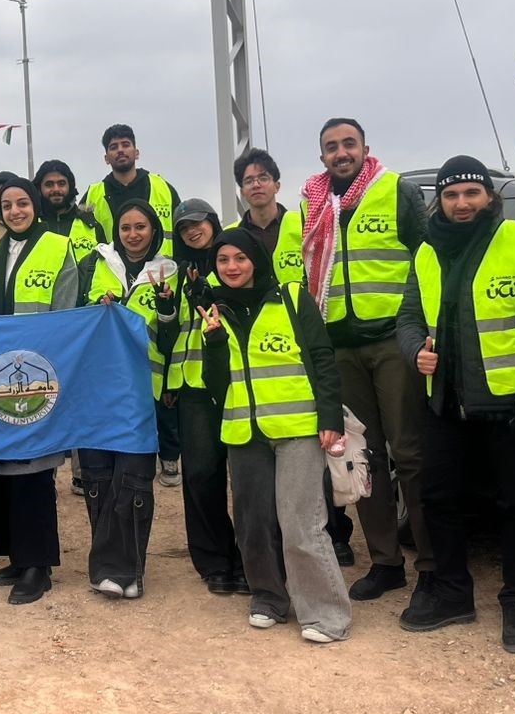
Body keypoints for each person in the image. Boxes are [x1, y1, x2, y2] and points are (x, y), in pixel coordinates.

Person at [394, 155, 515, 653]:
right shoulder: (427, 251)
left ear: (489, 197)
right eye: (451, 195)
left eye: (471, 192)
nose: (461, 203)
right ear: (439, 202)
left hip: (508, 404)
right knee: (438, 501)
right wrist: (415, 352)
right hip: (444, 404)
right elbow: (408, 318)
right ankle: (453, 594)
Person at [201, 228, 353, 643]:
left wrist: (329, 416)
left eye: (240, 258)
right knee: (252, 523)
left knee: (301, 522)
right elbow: (215, 386)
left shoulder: (289, 296)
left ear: (255, 259)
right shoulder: (212, 310)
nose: (231, 267)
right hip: (243, 432)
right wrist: (213, 343)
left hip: (297, 428)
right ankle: (268, 597)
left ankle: (325, 614)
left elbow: (321, 357)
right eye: (223, 260)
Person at [300, 118, 430, 595]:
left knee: (410, 453)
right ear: (322, 157)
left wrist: (421, 329)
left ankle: (432, 566)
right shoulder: (313, 204)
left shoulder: (396, 190)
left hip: (392, 342)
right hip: (341, 347)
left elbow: (428, 258)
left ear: (365, 148)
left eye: (348, 144)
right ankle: (386, 562)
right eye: (331, 147)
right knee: (362, 456)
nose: (341, 153)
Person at [0, 177, 79, 605]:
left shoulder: (57, 246)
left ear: (35, 206)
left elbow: (66, 313)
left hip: (39, 371)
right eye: (6, 205)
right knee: (0, 468)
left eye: (22, 203)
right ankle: (15, 554)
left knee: (32, 470)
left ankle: (38, 565)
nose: (15, 211)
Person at [75, 198, 175, 600]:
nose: (133, 235)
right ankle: (104, 568)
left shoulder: (171, 271)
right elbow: (72, 320)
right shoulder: (92, 266)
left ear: (154, 230)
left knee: (133, 481)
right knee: (97, 477)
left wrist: (166, 308)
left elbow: (174, 334)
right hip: (95, 390)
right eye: (126, 228)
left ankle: (130, 570)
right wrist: (94, 309)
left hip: (141, 393)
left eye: (141, 227)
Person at [164, 197, 246, 595]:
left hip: (241, 382)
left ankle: (252, 558)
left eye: (198, 222)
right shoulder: (174, 274)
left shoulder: (233, 261)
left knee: (248, 479)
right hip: (194, 384)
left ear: (212, 222)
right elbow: (170, 332)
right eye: (184, 227)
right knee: (200, 476)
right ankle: (214, 560)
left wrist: (209, 291)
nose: (192, 230)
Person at [82, 124, 180, 256]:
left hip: (160, 272)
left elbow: (182, 231)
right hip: (112, 272)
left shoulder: (163, 188)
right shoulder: (93, 195)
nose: (120, 150)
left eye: (126, 145)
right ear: (106, 158)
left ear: (136, 153)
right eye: (114, 147)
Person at [230, 149, 303, 285]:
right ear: (242, 192)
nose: (256, 185)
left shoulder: (304, 224)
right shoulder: (231, 234)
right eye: (249, 181)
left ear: (277, 186)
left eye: (263, 178)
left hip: (300, 305)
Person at [34, 158, 105, 263]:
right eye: (49, 184)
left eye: (61, 183)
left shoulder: (91, 225)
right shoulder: (31, 225)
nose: (56, 189)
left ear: (71, 186)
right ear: (39, 189)